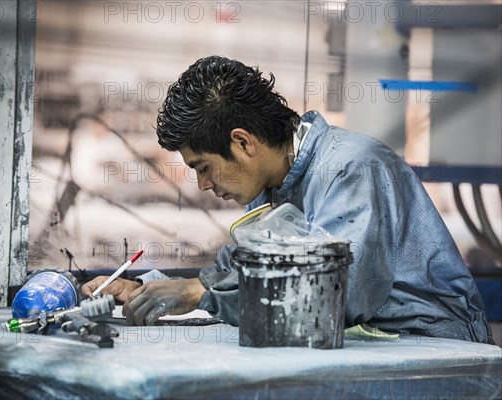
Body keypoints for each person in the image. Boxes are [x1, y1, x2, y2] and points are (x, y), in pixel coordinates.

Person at [82, 56, 494, 344]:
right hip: (374, 344)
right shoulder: (272, 185)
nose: (203, 185)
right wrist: (144, 288)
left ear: (242, 142)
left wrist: (200, 296)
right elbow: (242, 267)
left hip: (430, 348)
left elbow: (334, 297)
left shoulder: (351, 168)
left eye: (203, 167)